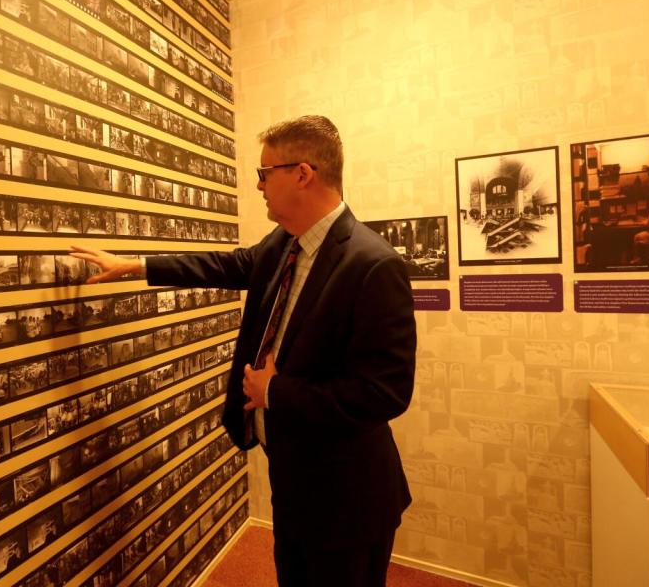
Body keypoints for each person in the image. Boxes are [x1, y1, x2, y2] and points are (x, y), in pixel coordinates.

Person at [70, 115, 416, 587]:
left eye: (264, 172)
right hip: (292, 476)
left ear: (302, 173)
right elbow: (224, 264)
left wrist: (277, 393)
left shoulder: (373, 265)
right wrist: (134, 265)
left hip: (346, 498)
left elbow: (386, 393)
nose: (257, 185)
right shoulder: (284, 244)